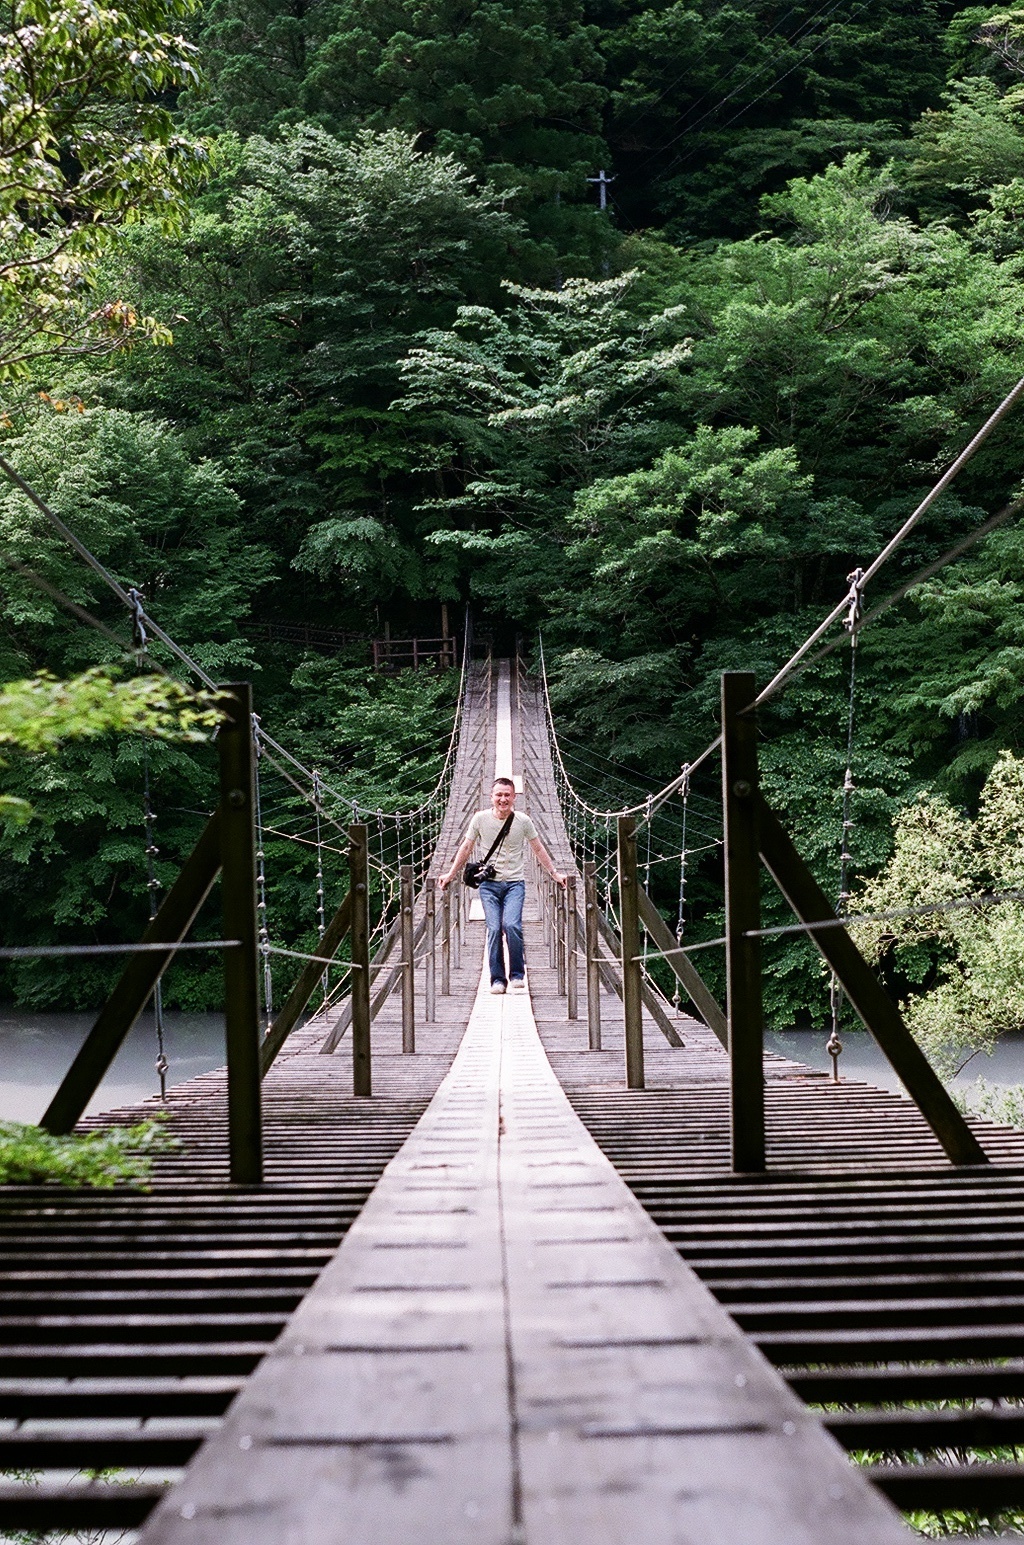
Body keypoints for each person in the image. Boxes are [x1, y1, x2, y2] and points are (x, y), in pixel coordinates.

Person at [439, 777, 566, 995]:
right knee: (494, 928)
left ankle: (517, 975)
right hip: (489, 885)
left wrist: (554, 873)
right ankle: (497, 979)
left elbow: (538, 848)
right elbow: (467, 846)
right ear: (491, 797)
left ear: (514, 797)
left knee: (512, 925)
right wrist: (451, 874)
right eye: (499, 794)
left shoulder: (523, 821)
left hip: (515, 884)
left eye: (507, 795)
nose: (503, 799)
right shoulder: (480, 819)